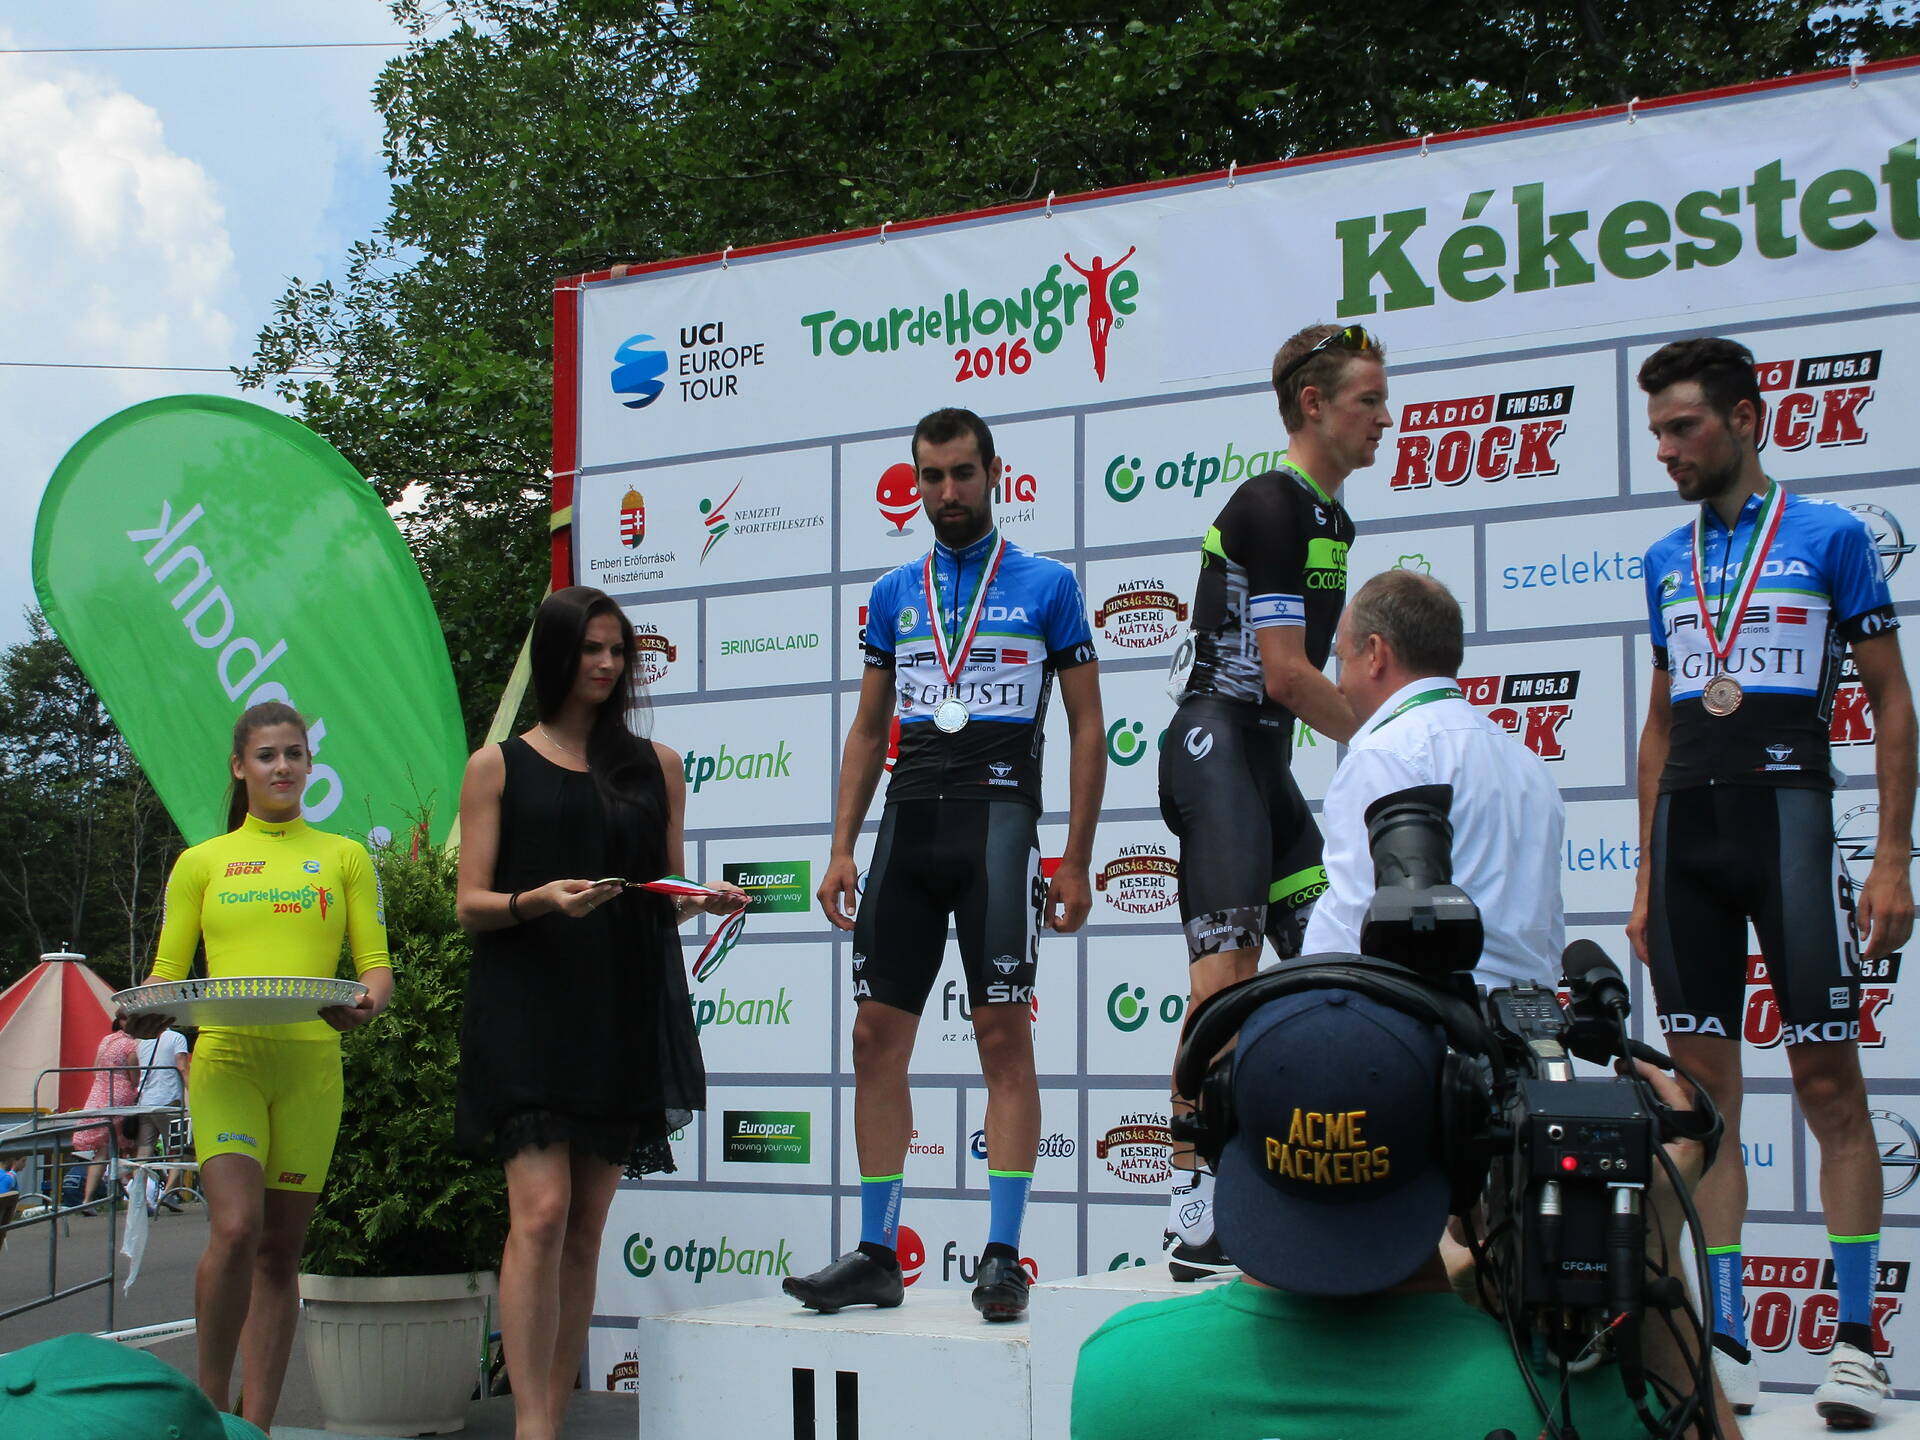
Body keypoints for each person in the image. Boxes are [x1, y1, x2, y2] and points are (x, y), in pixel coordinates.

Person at [1627, 336, 1915, 1428]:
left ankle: (1858, 1342)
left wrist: (1891, 856)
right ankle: (1730, 1336)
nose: (1666, 449)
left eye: (1684, 427)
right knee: (1705, 1106)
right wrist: (1645, 876)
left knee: (1829, 1087)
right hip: (1686, 842)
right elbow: (1660, 726)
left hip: (1791, 827)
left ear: (1747, 419)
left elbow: (1890, 700)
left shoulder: (1831, 536)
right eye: (1656, 432)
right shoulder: (1666, 557)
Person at [1073, 981, 1741, 1440]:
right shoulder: (1584, 1400)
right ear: (1465, 1152)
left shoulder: (1121, 1372)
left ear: (1223, 1131)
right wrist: (1650, 1247)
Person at [786, 406, 1104, 1322]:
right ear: (916, 482)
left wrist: (1076, 858)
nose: (948, 492)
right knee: (873, 1038)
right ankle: (878, 1252)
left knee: (1002, 1034)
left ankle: (1002, 1256)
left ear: (994, 473)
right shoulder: (896, 592)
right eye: (931, 476)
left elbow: (1088, 727)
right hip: (908, 826)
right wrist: (840, 846)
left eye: (963, 473)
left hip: (999, 823)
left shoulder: (1048, 585)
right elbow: (867, 728)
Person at [455, 586, 744, 1440]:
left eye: (618, 650)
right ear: (557, 654)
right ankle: (532, 1424)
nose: (608, 663)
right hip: (527, 1006)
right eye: (591, 648)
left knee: (584, 1230)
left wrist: (699, 900)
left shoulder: (657, 766)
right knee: (540, 1213)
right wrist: (540, 900)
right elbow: (470, 904)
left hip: (619, 1008)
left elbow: (659, 893)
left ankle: (553, 1414)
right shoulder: (497, 765)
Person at [1157, 322, 1389, 1278]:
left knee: (1331, 970)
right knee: (1224, 983)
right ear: (1313, 404)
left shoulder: (1335, 521)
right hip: (1214, 749)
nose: (1386, 418)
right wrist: (1391, 743)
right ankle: (1192, 1208)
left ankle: (1309, 1177)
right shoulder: (1269, 503)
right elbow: (1287, 674)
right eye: (1369, 400)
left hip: (1265, 767)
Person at [126, 700, 391, 1431]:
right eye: (267, 755)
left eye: (293, 754)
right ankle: (210, 1411)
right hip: (228, 1061)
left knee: (280, 1252)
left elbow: (375, 966)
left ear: (309, 764)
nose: (282, 767)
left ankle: (258, 1426)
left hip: (311, 1068)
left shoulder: (343, 856)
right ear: (240, 767)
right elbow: (167, 973)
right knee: (238, 1228)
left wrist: (368, 1005)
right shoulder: (201, 862)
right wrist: (146, 1009)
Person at [1302, 569, 1564, 989]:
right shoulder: (1528, 763)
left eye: (1342, 658)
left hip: (1418, 1014)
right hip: (1520, 1016)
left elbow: (1355, 925)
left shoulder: (1384, 753)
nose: (1340, 685)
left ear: (1376, 653)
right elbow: (1548, 936)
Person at [71, 1016, 140, 1210]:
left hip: (98, 1094)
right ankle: (137, 1195)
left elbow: (95, 1068)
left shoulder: (106, 1040)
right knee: (132, 1146)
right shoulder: (130, 1045)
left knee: (102, 1150)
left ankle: (88, 1199)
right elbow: (135, 1078)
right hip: (120, 1095)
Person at [130, 1022, 189, 1212]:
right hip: (169, 1099)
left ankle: (139, 1197)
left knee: (144, 1151)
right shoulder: (177, 1038)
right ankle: (169, 1193)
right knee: (177, 1148)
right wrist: (193, 1091)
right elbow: (182, 1066)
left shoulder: (142, 1042)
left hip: (146, 1101)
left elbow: (133, 1066)